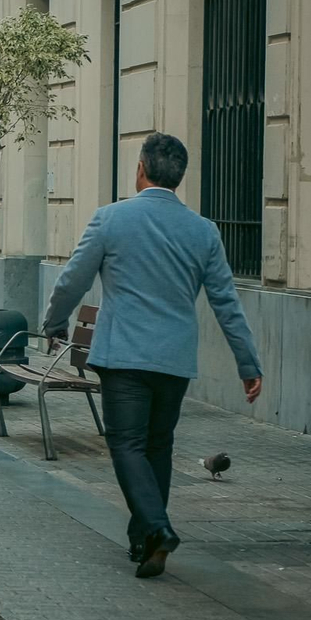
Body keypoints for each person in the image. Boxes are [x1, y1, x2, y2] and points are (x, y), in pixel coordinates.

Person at [43, 132, 262, 580]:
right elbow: (226, 302)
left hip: (123, 355)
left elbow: (72, 280)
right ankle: (143, 539)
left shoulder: (111, 219)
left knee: (125, 443)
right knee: (158, 445)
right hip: (173, 359)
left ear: (140, 169)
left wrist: (54, 321)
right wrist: (248, 364)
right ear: (179, 178)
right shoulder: (203, 231)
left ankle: (158, 529)